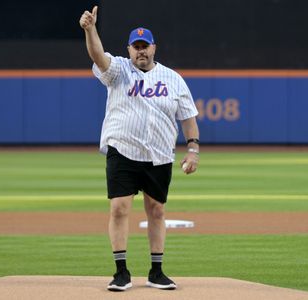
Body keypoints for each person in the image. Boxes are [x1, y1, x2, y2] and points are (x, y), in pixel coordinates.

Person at [79, 6, 200, 292]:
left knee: (156, 210)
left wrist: (193, 150)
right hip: (122, 149)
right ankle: (121, 271)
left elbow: (189, 118)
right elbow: (98, 56)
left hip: (159, 155)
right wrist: (90, 30)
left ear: (154, 48)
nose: (140, 51)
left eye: (145, 46)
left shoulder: (173, 79)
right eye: (136, 47)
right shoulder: (119, 70)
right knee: (119, 208)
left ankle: (156, 271)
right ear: (129, 49)